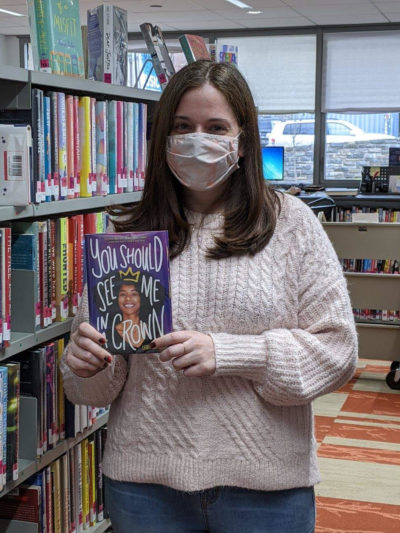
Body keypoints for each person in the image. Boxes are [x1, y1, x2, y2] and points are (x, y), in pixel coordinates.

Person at [61, 60, 358, 533]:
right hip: (144, 487)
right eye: (182, 127)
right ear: (163, 140)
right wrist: (84, 362)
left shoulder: (292, 224)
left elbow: (337, 352)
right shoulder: (129, 234)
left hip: (265, 487)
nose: (197, 139)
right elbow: (91, 390)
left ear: (242, 141)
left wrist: (231, 352)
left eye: (216, 127)